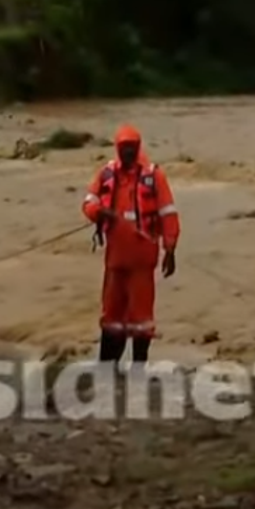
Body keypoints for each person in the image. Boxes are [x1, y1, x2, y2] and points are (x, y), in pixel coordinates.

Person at [81, 124, 180, 365]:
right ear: (117, 148)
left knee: (141, 316)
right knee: (111, 312)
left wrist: (170, 249)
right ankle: (107, 364)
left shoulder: (154, 176)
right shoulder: (106, 174)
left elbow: (168, 213)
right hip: (115, 258)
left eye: (131, 148)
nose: (127, 152)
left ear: (138, 148)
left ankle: (138, 366)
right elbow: (88, 202)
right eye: (123, 148)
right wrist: (98, 212)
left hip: (143, 258)